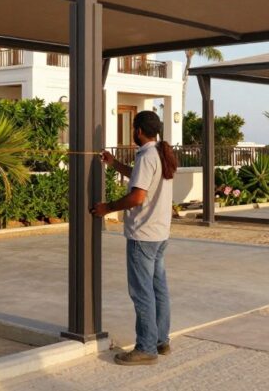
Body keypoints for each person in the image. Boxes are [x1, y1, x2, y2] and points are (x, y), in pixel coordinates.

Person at [90, 111, 177, 366]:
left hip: (143, 235)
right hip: (160, 234)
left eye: (132, 128)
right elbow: (143, 181)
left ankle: (146, 348)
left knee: (142, 293)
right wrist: (115, 164)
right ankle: (161, 340)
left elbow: (137, 197)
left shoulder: (148, 155)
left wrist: (108, 208)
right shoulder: (159, 153)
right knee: (158, 289)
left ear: (138, 130)